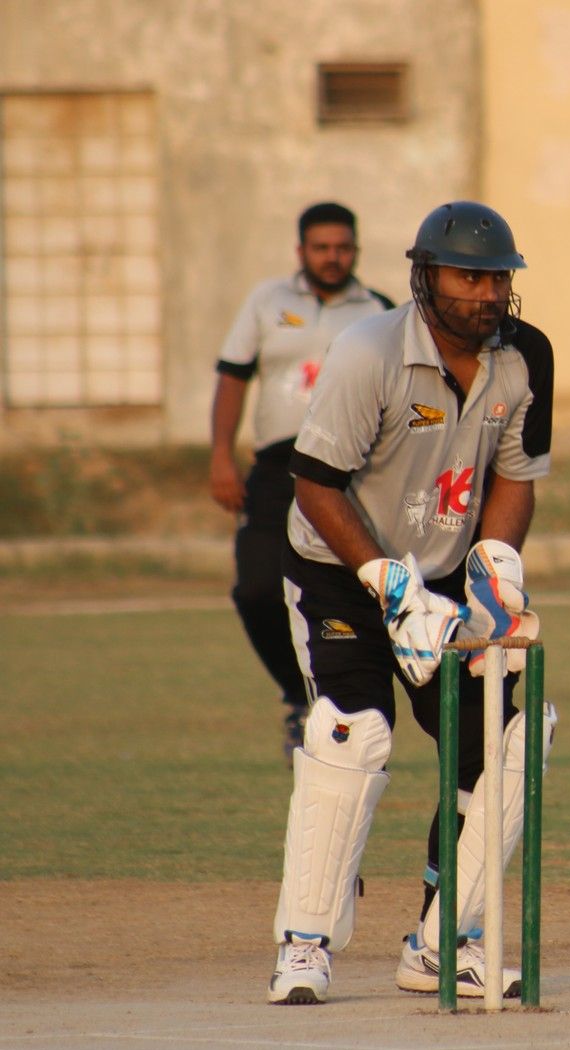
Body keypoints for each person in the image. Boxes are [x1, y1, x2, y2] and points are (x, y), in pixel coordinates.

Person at [265, 201, 555, 1006]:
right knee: (353, 732)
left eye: (497, 278)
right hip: (337, 567)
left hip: (445, 575)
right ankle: (305, 941)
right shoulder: (369, 352)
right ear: (424, 277)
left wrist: (496, 574)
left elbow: (514, 477)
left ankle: (440, 942)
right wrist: (387, 584)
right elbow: (315, 484)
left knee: (504, 743)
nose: (486, 294)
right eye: (468, 277)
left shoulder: (526, 355)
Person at [209, 202, 394, 763]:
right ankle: (298, 694)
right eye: (321, 247)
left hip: (346, 472)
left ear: (355, 250)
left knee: (357, 592)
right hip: (278, 467)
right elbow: (232, 377)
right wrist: (220, 456)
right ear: (301, 251)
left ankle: (349, 710)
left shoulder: (379, 311)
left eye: (342, 247)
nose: (332, 257)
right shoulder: (267, 302)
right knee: (256, 588)